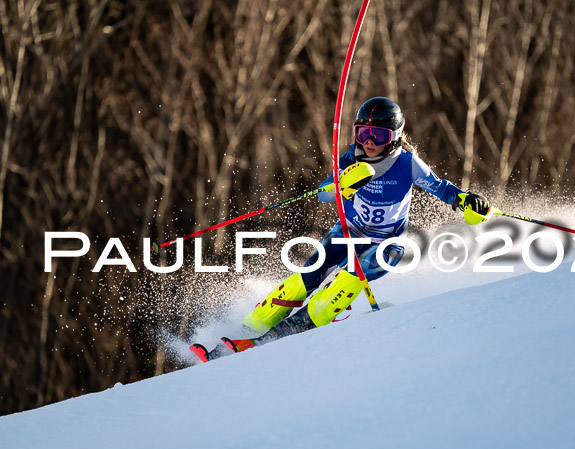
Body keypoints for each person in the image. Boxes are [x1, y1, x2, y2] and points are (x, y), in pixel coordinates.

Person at [191, 97, 491, 361]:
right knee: (307, 276)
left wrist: (465, 201)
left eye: (378, 134)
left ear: (395, 138)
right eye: (363, 133)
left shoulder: (407, 163)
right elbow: (323, 193)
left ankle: (293, 330)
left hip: (387, 243)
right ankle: (251, 328)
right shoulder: (349, 159)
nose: (369, 141)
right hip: (350, 231)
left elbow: (439, 187)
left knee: (345, 282)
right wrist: (341, 185)